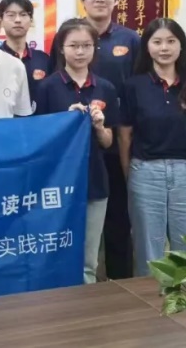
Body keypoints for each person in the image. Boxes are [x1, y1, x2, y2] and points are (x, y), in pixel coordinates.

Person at [119, 18, 186, 276]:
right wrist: (131, 174)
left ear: (181, 46)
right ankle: (148, 299)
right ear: (147, 47)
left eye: (171, 41)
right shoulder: (134, 86)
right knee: (148, 250)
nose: (164, 48)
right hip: (145, 172)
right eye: (157, 41)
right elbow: (125, 137)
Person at [35, 19, 117, 284]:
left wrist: (100, 127)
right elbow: (40, 139)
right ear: (61, 48)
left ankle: (86, 305)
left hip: (94, 181)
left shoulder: (105, 87)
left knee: (89, 260)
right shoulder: (47, 87)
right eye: (73, 46)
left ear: (94, 48)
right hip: (56, 185)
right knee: (55, 253)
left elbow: (109, 142)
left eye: (86, 45)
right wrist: (65, 122)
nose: (80, 52)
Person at [78, 0, 141, 281]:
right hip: (79, 144)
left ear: (116, 0)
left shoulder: (130, 39)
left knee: (118, 217)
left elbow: (140, 86)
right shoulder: (72, 34)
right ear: (83, 0)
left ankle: (121, 284)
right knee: (81, 219)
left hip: (118, 141)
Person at [0, 0, 50, 103]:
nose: (17, 20)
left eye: (23, 14)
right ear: (1, 21)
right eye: (11, 15)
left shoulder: (44, 59)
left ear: (31, 20)